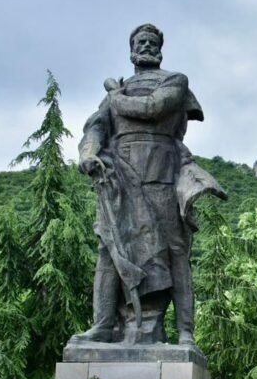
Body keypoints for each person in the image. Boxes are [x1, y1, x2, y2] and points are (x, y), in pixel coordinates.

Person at [71, 23, 225, 346]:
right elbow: (95, 128)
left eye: (152, 42)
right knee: (108, 249)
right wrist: (88, 153)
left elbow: (152, 108)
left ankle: (185, 332)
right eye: (140, 42)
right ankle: (103, 325)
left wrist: (115, 96)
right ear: (131, 51)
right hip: (119, 177)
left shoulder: (174, 81)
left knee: (176, 251)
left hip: (163, 175)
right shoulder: (116, 93)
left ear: (160, 50)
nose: (146, 46)